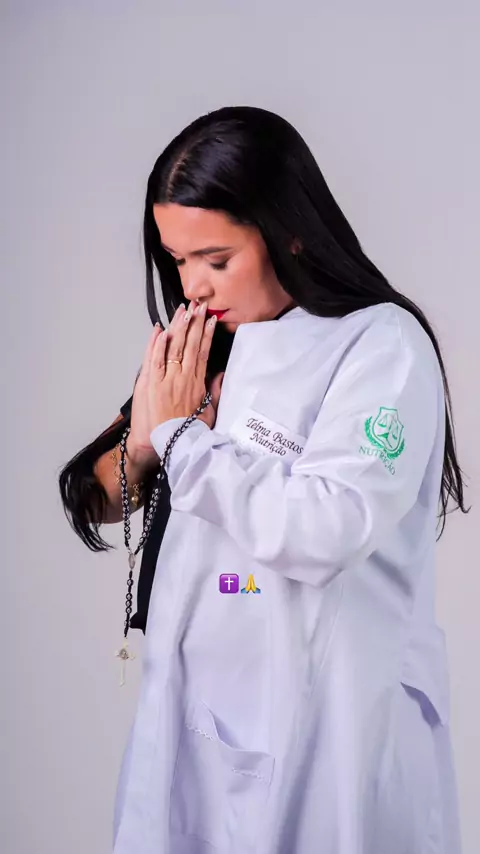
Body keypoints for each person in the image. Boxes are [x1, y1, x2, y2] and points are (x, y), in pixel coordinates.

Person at [59, 106, 467, 854]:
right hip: (199, 723)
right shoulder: (210, 346)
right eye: (178, 260)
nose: (193, 286)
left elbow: (328, 526)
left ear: (290, 231)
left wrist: (183, 440)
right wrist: (147, 446)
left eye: (216, 260)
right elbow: (94, 496)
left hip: (332, 723)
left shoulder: (380, 345)